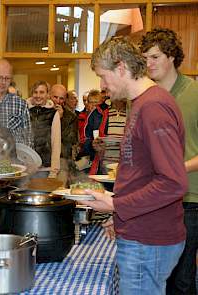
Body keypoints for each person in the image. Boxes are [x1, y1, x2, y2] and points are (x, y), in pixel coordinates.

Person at [79, 36, 188, 295]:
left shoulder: (153, 107)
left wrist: (117, 205)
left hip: (148, 242)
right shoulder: (144, 103)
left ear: (121, 68)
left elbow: (173, 182)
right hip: (142, 233)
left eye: (103, 76)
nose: (102, 86)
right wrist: (121, 214)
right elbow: (144, 173)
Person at [140, 27, 198, 295]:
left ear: (172, 56)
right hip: (154, 199)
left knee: (181, 280)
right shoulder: (143, 98)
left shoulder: (194, 94)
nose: (148, 64)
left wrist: (175, 169)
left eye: (155, 57)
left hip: (189, 199)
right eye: (145, 58)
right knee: (155, 277)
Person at [0, 58, 32, 147]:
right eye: (0, 77)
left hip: (13, 157)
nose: (3, 82)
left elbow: (27, 136)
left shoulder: (20, 104)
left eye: (7, 78)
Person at [27, 80, 61, 178]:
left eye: (42, 92)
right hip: (27, 167)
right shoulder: (24, 111)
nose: (38, 95)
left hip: (45, 169)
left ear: (48, 94)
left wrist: (54, 171)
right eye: (35, 92)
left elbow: (56, 143)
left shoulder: (53, 113)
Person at [50, 84, 78, 185]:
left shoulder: (71, 116)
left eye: (61, 98)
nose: (58, 101)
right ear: (49, 95)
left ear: (65, 99)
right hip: (45, 161)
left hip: (63, 160)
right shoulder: (43, 112)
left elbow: (70, 140)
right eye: (55, 97)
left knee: (59, 191)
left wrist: (61, 120)